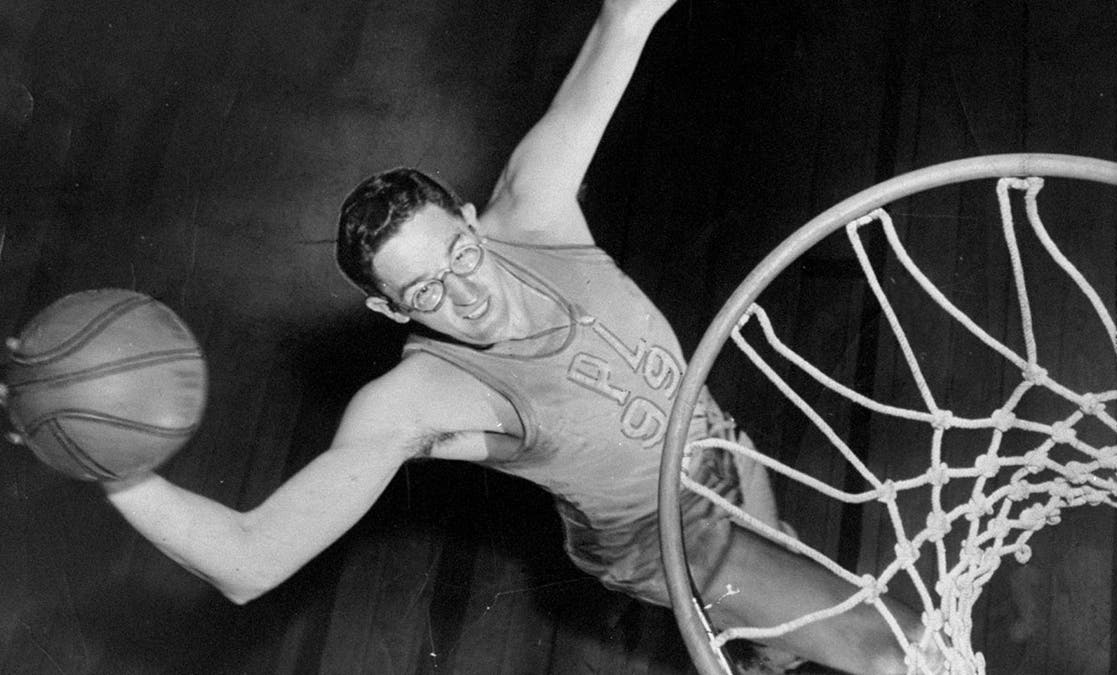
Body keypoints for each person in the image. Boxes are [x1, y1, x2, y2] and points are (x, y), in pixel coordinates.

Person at [58, 1, 928, 673]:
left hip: (720, 451)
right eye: (425, 290)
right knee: (892, 651)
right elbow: (250, 561)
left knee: (779, 619)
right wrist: (114, 467)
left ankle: (768, 651)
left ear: (475, 220)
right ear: (392, 313)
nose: (465, 289)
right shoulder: (419, 398)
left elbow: (623, 20)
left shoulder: (537, 207)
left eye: (460, 253)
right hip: (662, 530)